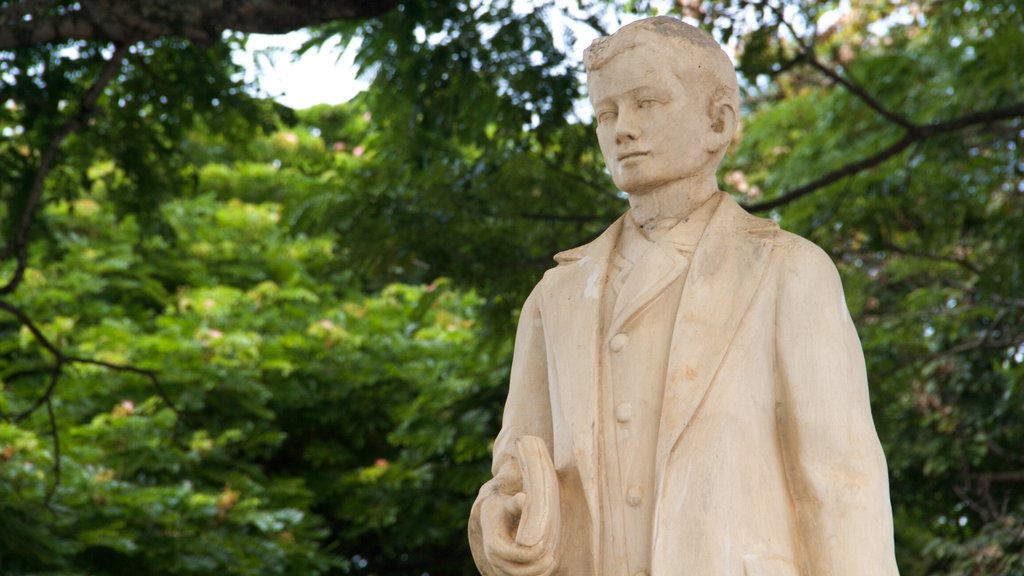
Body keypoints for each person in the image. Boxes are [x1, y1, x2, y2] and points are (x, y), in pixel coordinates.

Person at [468, 16, 900, 576]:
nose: (622, 128)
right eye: (606, 112)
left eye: (646, 103)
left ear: (718, 122)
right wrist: (498, 518)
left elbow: (841, 482)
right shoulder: (556, 296)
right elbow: (515, 470)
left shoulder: (787, 271)